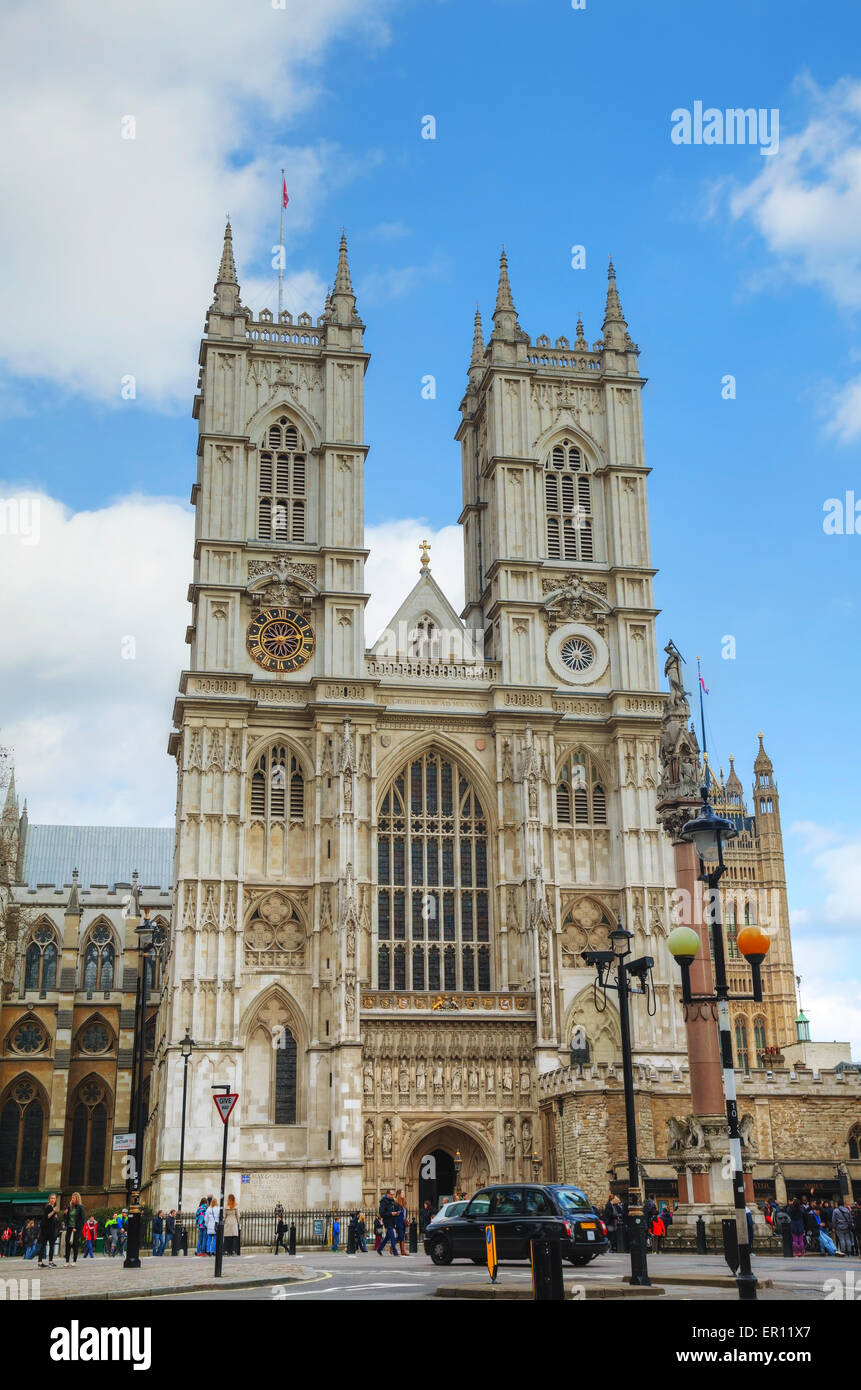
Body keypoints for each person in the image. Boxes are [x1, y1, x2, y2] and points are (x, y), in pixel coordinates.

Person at [38, 1193, 59, 1268]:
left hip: (50, 1230)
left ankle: (44, 1262)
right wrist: (53, 1212)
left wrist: (55, 1216)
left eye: (54, 1198)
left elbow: (54, 1219)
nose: (53, 1200)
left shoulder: (52, 1207)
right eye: (51, 1198)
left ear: (56, 1199)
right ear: (49, 1199)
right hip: (47, 1230)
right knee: (46, 1246)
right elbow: (47, 1217)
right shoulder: (48, 1207)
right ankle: (47, 1262)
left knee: (49, 1246)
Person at [377, 1189, 399, 1256]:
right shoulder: (383, 1202)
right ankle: (395, 1252)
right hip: (387, 1221)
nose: (393, 1196)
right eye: (391, 1194)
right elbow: (382, 1213)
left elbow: (395, 1208)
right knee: (392, 1236)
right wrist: (391, 1213)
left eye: (393, 1194)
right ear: (388, 1194)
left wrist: (397, 1212)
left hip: (393, 1220)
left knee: (387, 1237)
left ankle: (379, 1249)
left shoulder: (393, 1201)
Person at [394, 1190, 408, 1256]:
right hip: (398, 1222)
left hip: (403, 1222)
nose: (404, 1194)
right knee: (400, 1236)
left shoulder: (404, 1202)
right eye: (402, 1193)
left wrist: (406, 1219)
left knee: (401, 1237)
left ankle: (402, 1251)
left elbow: (405, 1213)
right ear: (399, 1194)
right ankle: (393, 1247)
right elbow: (395, 1213)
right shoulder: (396, 1203)